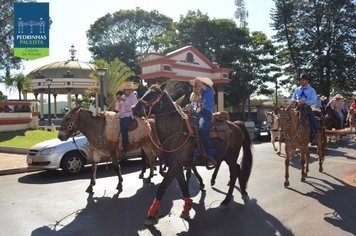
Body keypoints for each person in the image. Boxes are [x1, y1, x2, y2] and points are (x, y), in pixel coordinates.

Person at [189, 76, 217, 168]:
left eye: (198, 84)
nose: (196, 86)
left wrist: (198, 81)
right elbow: (193, 106)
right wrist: (189, 108)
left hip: (205, 113)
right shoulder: (196, 95)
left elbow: (205, 105)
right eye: (195, 85)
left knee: (203, 129)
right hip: (196, 114)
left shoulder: (208, 90)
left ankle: (211, 155)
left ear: (203, 84)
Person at [291, 73, 318, 146]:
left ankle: (314, 137)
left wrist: (305, 102)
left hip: (307, 108)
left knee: (313, 120)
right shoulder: (297, 89)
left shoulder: (311, 90)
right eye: (300, 80)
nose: (301, 81)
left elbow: (314, 99)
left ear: (307, 81)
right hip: (297, 108)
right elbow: (293, 97)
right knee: (289, 119)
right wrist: (296, 101)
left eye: (303, 80)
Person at [115, 81, 138, 158]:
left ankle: (125, 147)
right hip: (120, 115)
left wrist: (125, 101)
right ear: (124, 90)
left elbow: (133, 107)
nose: (127, 91)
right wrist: (118, 102)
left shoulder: (133, 97)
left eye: (129, 89)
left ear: (131, 90)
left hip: (128, 115)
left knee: (124, 127)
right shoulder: (122, 97)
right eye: (126, 89)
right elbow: (117, 109)